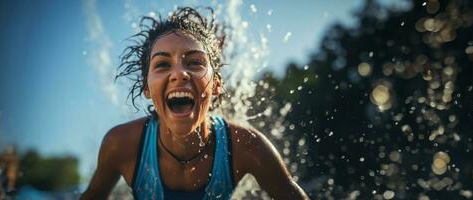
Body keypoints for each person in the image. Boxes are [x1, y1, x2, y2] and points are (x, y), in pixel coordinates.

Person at [81, 7, 308, 200]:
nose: (179, 73)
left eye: (194, 62)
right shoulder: (121, 145)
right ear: (147, 88)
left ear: (216, 84)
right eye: (162, 65)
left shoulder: (246, 146)